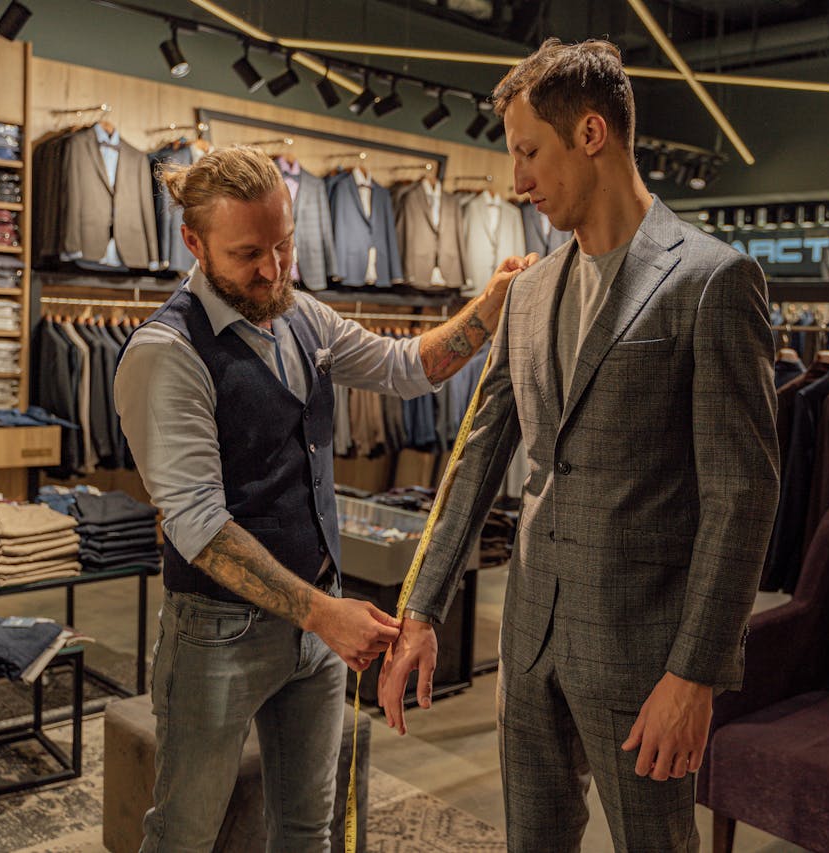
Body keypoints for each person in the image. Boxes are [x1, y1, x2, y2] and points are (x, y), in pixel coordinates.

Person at [377, 38, 780, 852]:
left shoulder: (711, 281)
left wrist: (695, 673)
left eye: (529, 152)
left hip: (645, 656)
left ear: (591, 134)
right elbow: (478, 455)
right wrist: (420, 606)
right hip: (527, 638)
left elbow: (743, 495)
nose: (517, 180)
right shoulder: (525, 293)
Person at [114, 145, 536, 852]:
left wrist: (488, 309)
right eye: (249, 253)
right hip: (218, 636)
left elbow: (409, 369)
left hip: (315, 632)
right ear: (193, 242)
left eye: (284, 245)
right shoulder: (167, 352)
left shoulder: (303, 315)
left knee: (309, 828)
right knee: (185, 834)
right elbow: (199, 528)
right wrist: (324, 613)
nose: (274, 269)